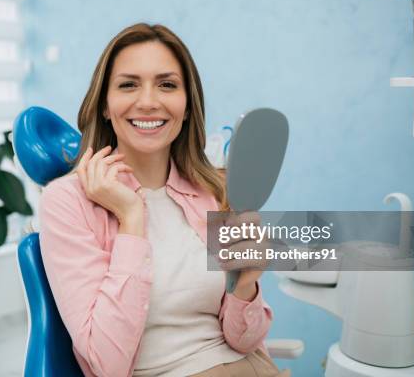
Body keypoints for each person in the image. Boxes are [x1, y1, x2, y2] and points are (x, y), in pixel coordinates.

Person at [39, 23, 288, 377]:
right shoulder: (66, 202)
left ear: (187, 107)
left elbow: (243, 341)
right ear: (106, 105)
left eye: (167, 85)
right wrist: (131, 217)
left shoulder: (214, 191)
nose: (148, 102)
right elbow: (106, 364)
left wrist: (246, 285)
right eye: (128, 84)